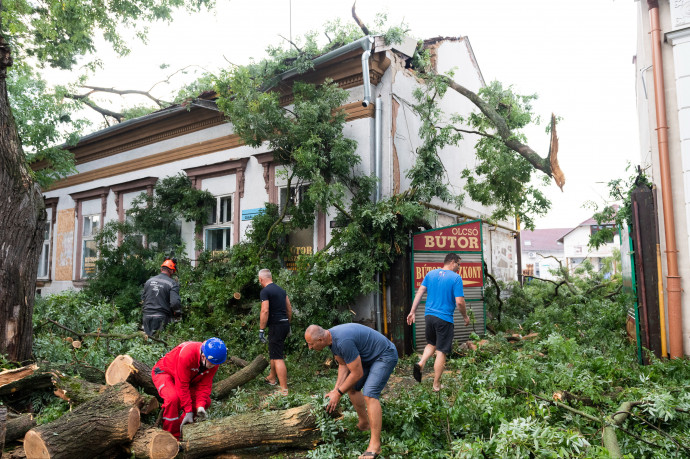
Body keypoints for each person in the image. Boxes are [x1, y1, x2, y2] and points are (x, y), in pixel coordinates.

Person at [305, 323, 398, 459]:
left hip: (384, 355)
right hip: (368, 358)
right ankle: (364, 423)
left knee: (370, 394)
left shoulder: (343, 341)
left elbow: (357, 373)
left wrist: (338, 393)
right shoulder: (331, 340)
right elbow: (343, 365)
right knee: (352, 388)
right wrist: (336, 389)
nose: (310, 347)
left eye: (310, 344)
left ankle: (375, 446)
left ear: (320, 340)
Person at [406, 252, 469, 392]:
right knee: (441, 351)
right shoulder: (456, 278)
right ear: (452, 262)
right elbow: (459, 302)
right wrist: (465, 317)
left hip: (429, 316)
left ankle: (421, 363)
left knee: (431, 343)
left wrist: (413, 311)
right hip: (444, 318)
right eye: (458, 264)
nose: (459, 267)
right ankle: (436, 385)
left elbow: (420, 292)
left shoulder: (431, 274)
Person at [151, 337, 227, 439]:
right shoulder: (187, 355)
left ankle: (183, 431)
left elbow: (204, 385)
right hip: (164, 372)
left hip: (187, 378)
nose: (214, 366)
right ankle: (170, 437)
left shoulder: (213, 361)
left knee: (206, 402)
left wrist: (200, 406)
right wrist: (188, 410)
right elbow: (182, 385)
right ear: (203, 356)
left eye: (216, 364)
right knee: (173, 399)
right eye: (212, 364)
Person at [258, 268, 292, 395]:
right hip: (283, 324)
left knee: (278, 357)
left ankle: (284, 389)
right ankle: (272, 377)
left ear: (261, 279)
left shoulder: (265, 291)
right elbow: (289, 308)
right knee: (274, 351)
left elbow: (265, 310)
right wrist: (288, 325)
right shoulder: (281, 290)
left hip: (275, 325)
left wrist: (261, 329)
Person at [141, 258, 181, 337]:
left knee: (148, 342)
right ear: (172, 271)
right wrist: (178, 313)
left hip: (146, 316)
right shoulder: (172, 283)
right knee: (159, 342)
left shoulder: (149, 281)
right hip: (161, 317)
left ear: (161, 269)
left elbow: (143, 298)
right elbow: (175, 303)